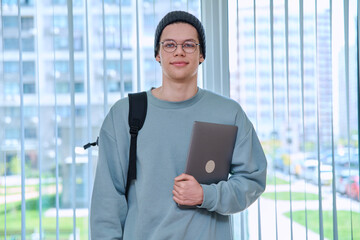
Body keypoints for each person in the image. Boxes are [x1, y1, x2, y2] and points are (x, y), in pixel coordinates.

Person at [90, 10, 267, 240]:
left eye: (189, 45)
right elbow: (107, 202)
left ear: (202, 54)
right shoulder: (125, 114)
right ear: (157, 54)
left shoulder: (228, 113)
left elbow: (253, 179)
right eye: (170, 45)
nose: (179, 51)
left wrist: (206, 195)